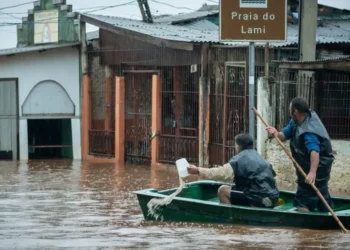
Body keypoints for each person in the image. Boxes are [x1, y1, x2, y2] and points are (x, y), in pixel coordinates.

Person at [266, 97, 334, 212]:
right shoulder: (295, 121)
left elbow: (315, 152)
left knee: (302, 201)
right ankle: (326, 219)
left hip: (318, 169)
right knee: (321, 196)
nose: (289, 112)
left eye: (290, 109)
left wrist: (312, 173)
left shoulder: (309, 130)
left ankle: (303, 226)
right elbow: (284, 135)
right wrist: (276, 134)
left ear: (295, 111)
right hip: (313, 170)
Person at [187, 133, 279, 208]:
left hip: (260, 200)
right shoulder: (260, 158)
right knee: (237, 188)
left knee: (222, 190)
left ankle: (230, 219)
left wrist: (198, 170)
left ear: (238, 147)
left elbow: (219, 173)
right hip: (273, 199)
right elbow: (273, 179)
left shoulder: (239, 160)